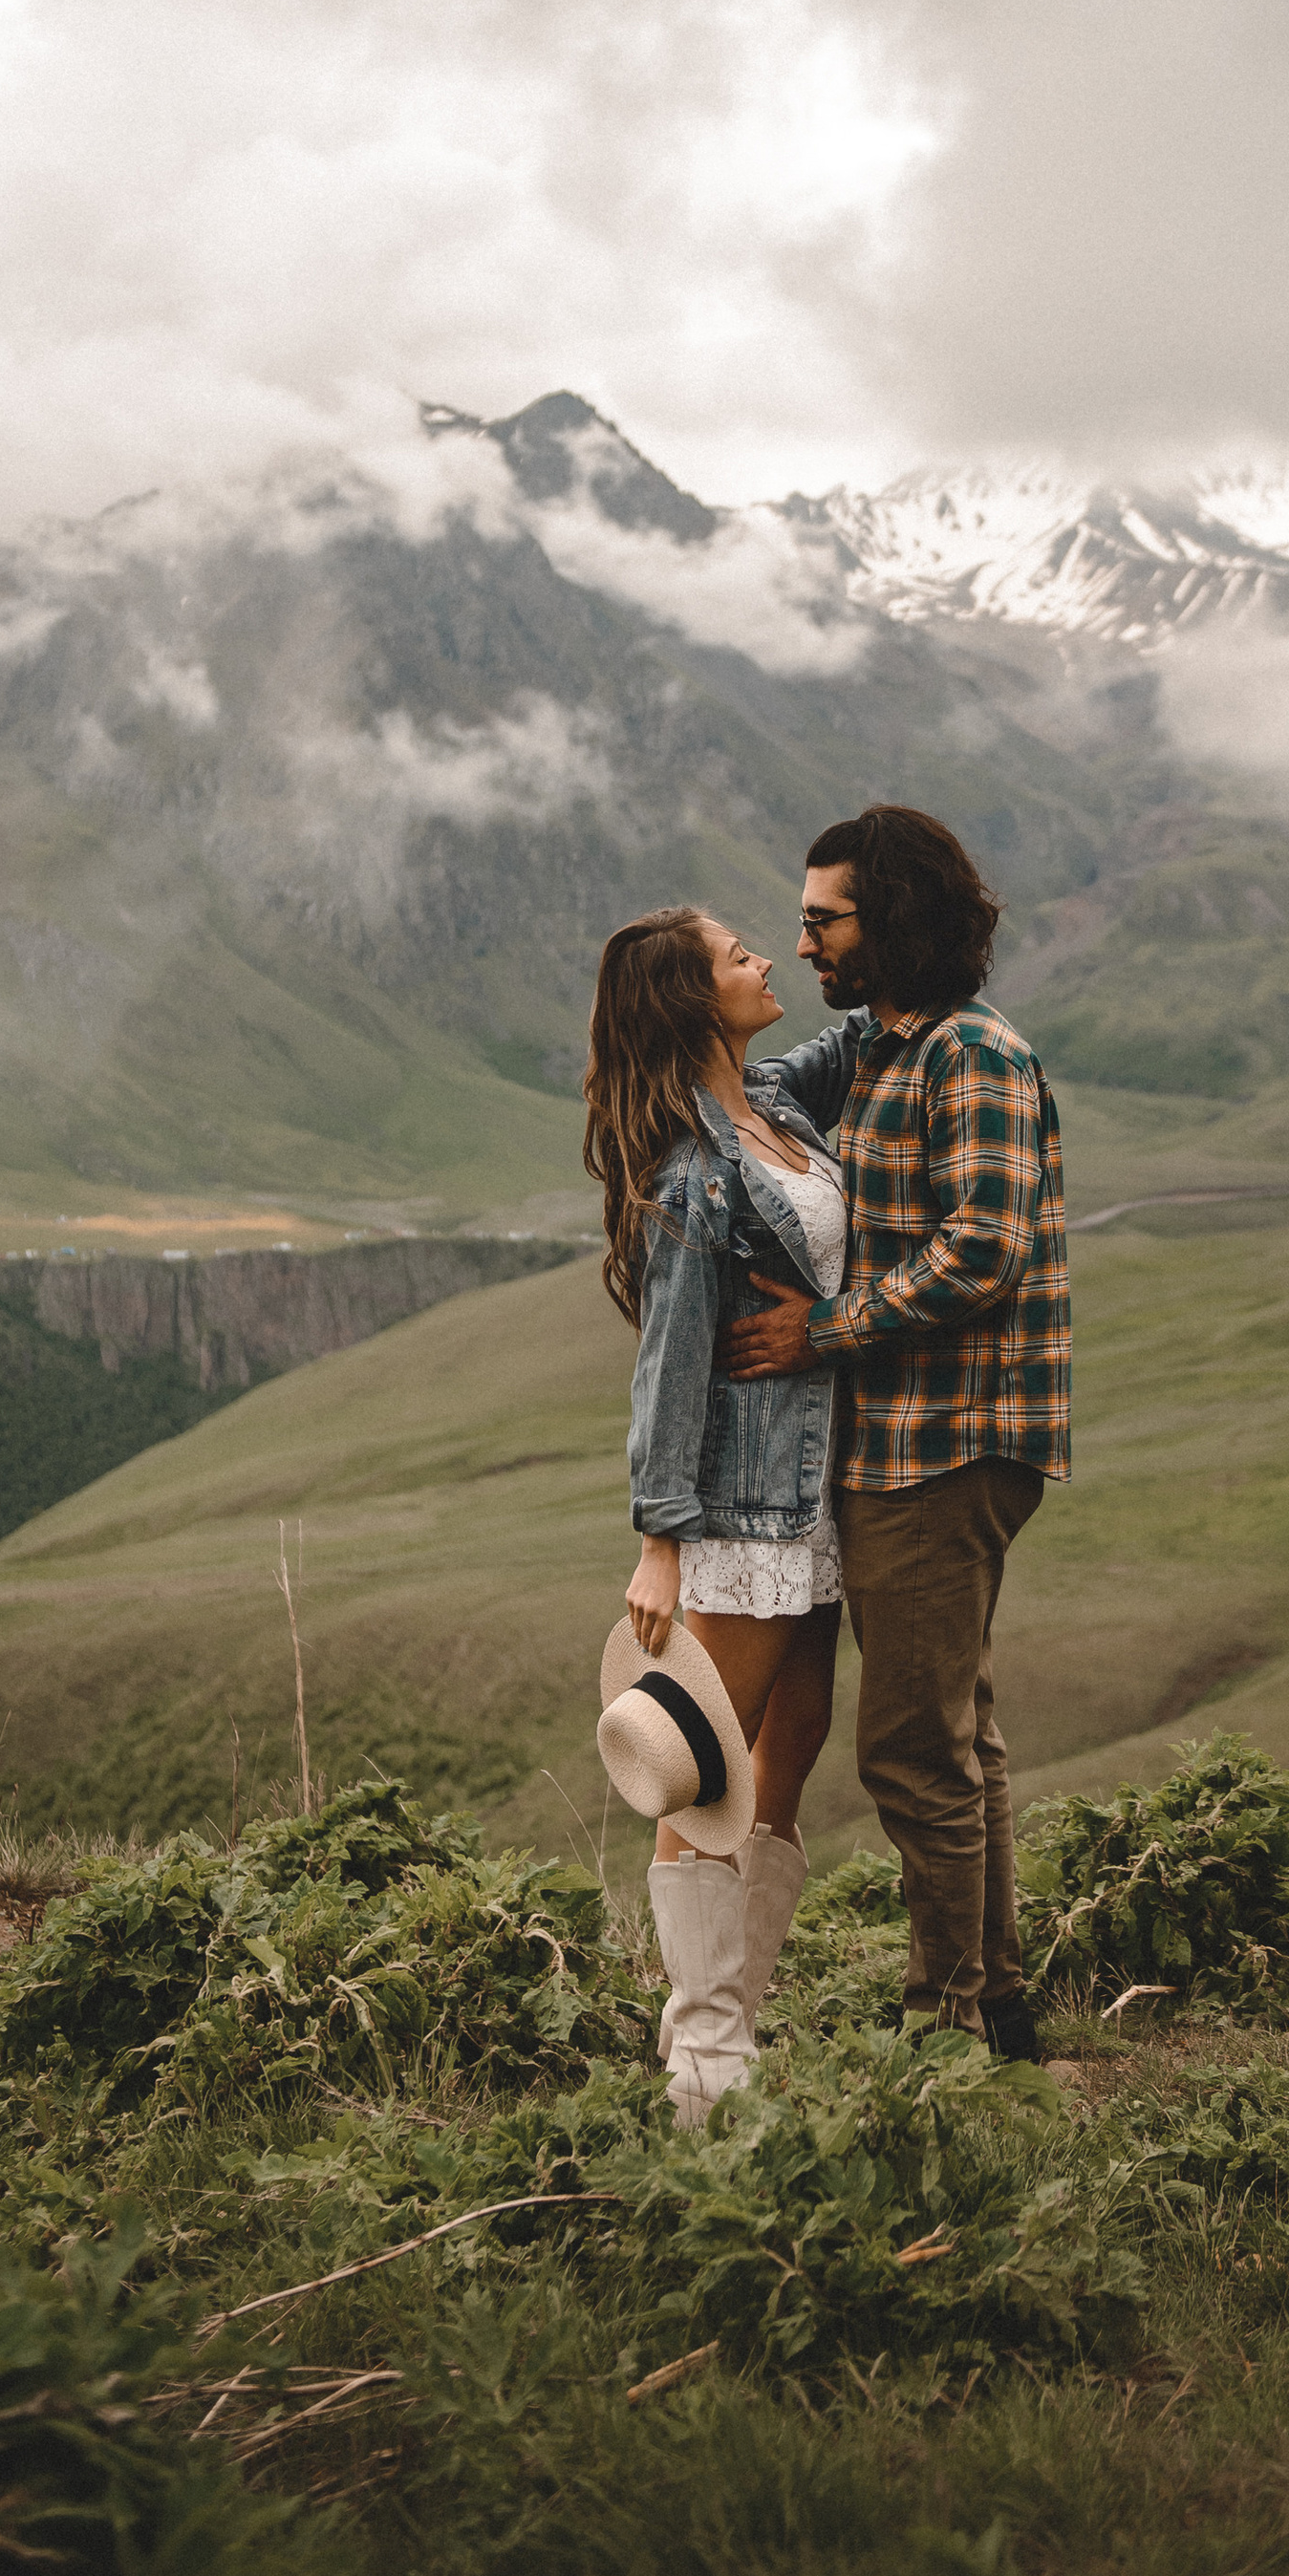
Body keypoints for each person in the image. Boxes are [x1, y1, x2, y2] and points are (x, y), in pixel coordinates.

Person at [725, 804, 1069, 2058]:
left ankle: (948, 2024)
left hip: (950, 1440)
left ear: (895, 921)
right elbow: (749, 1086)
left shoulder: (969, 1056)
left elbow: (985, 1244)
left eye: (825, 920)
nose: (803, 941)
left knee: (912, 1747)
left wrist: (823, 1329)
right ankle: (1002, 2000)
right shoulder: (872, 1044)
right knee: (959, 1731)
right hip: (909, 1439)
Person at [581, 906, 847, 2118]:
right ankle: (701, 2068)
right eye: (742, 955)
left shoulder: (776, 1107)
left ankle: (738, 2026)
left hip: (814, 1499)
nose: (768, 961)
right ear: (697, 1002)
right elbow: (669, 1358)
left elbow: (875, 1042)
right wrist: (660, 1542)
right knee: (703, 1779)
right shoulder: (693, 1174)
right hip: (739, 1514)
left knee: (785, 1762)